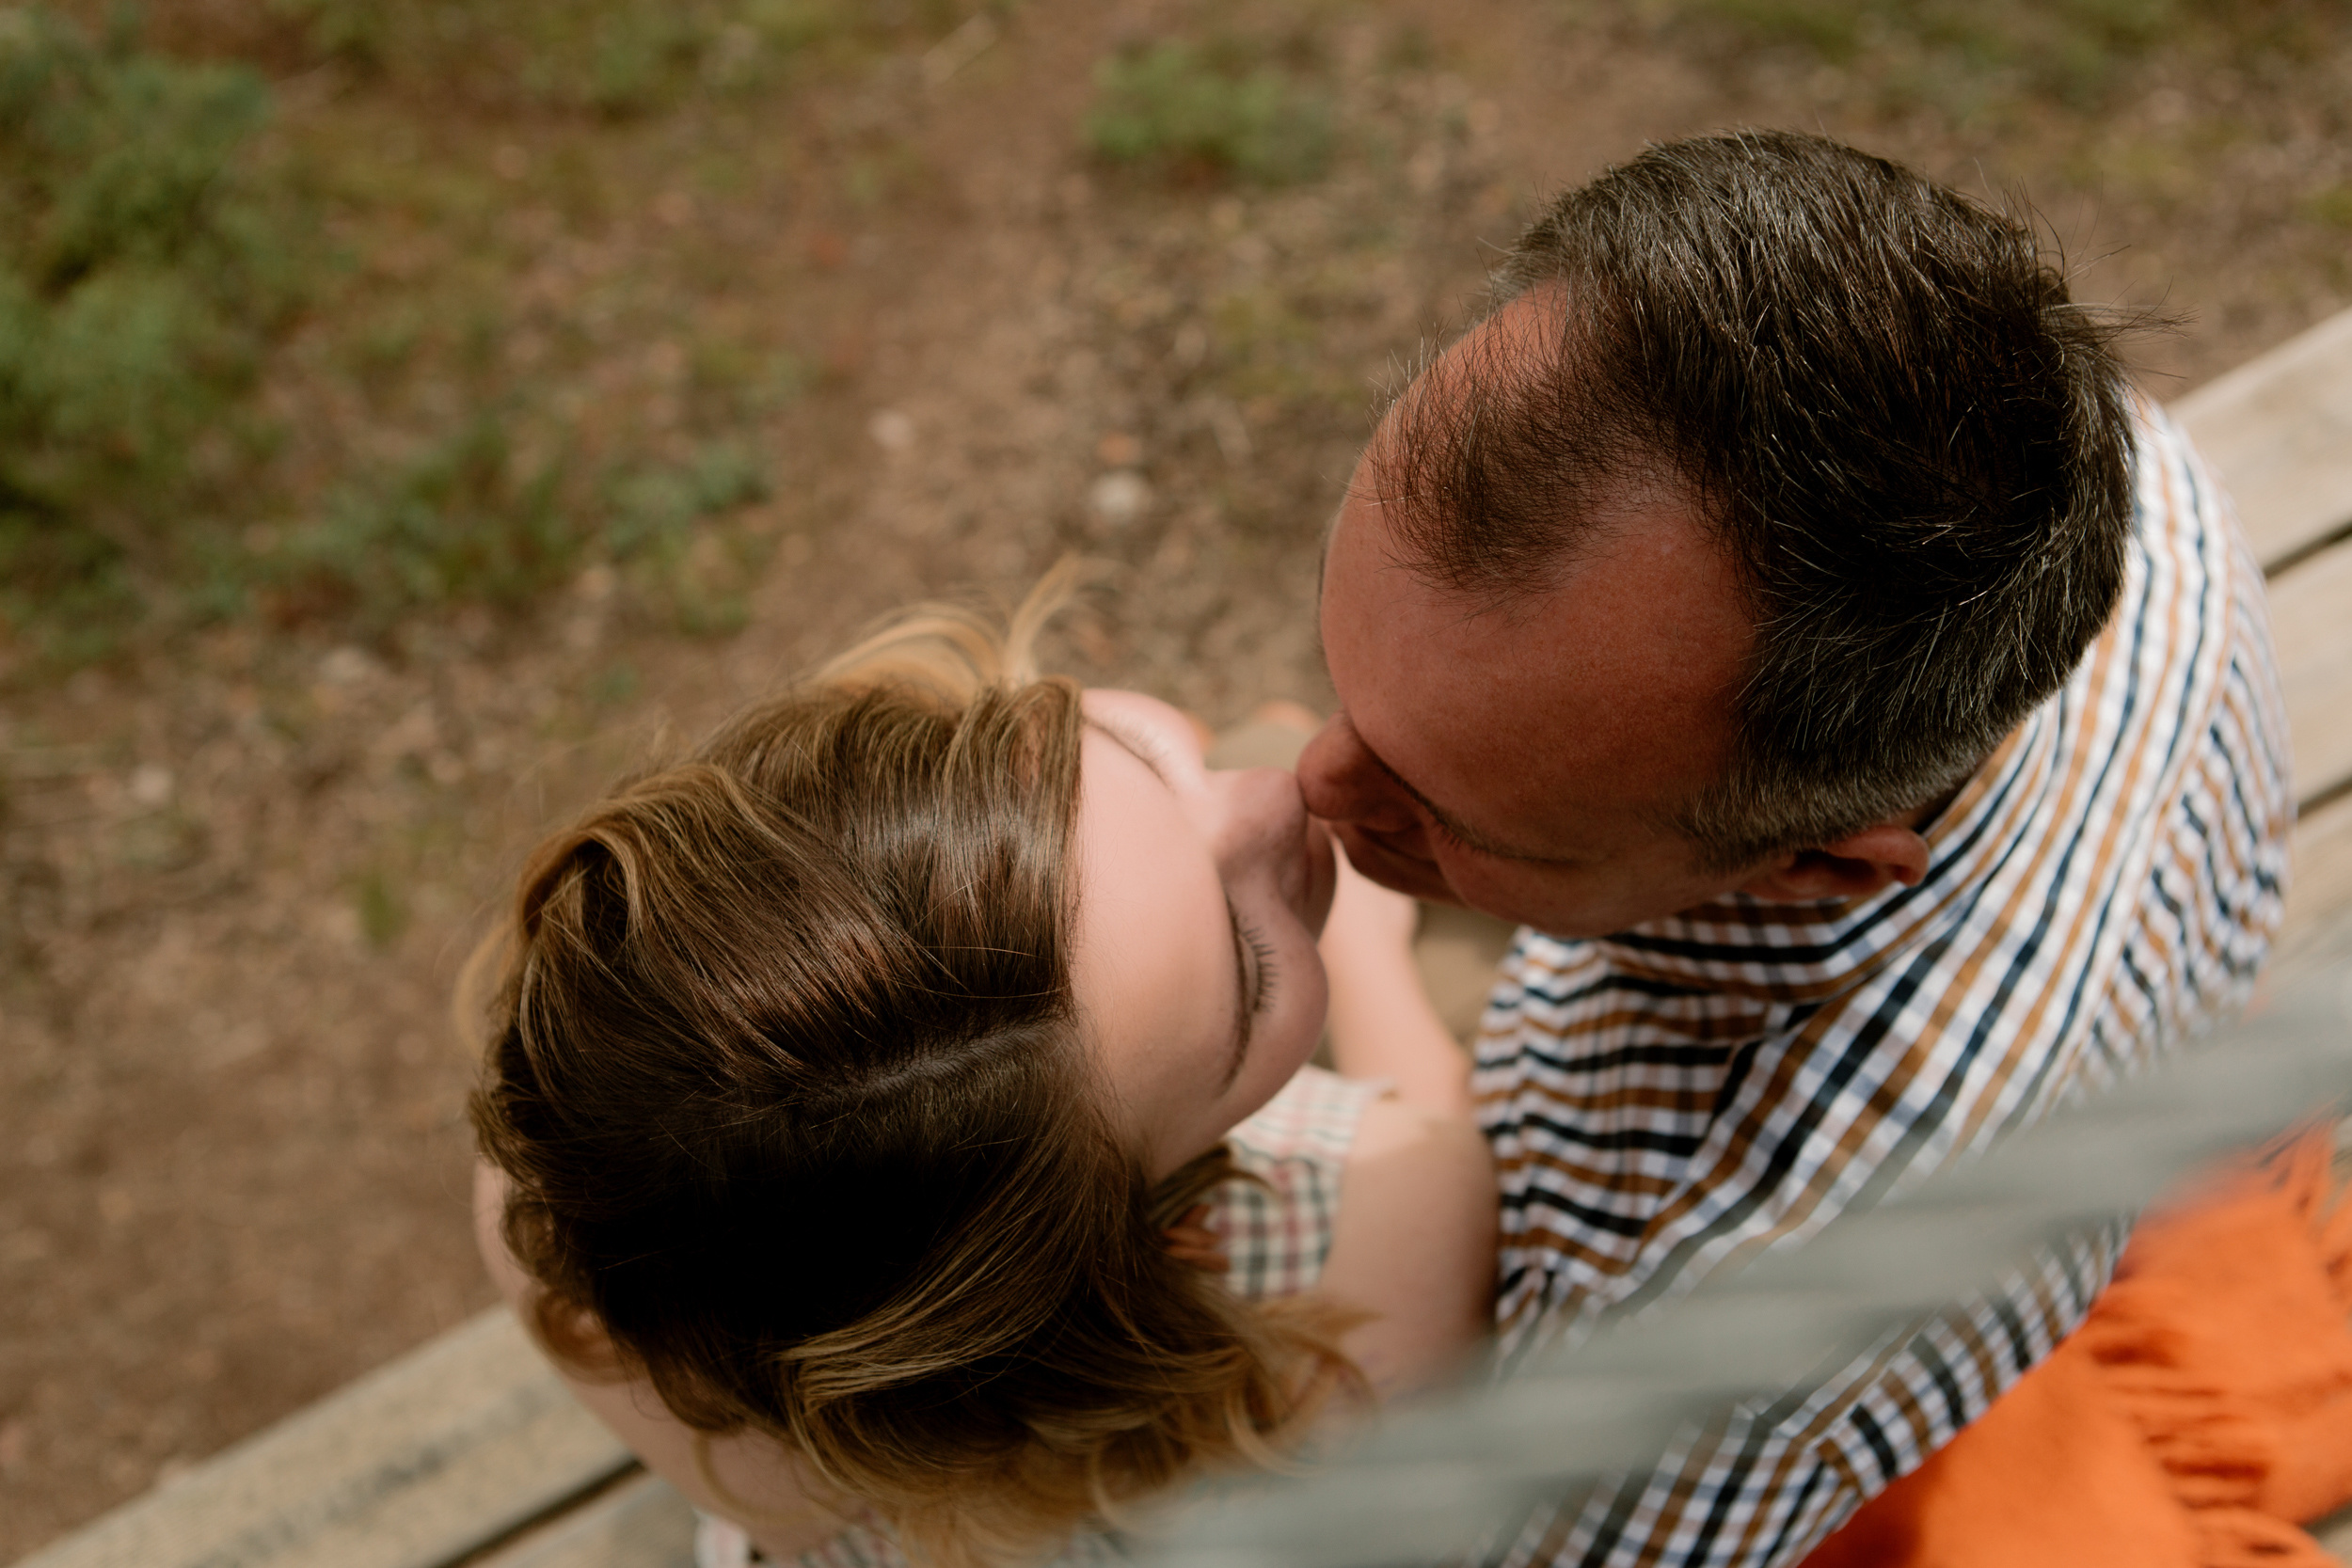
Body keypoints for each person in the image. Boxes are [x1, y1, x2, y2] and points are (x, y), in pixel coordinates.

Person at [1296, 130, 2293, 1566]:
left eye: (1447, 814)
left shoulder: (1698, 1346)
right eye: (1350, 671)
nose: (1313, 789)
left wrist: (1365, 956)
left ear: (1817, 865)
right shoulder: (2074, 446)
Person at [466, 582, 1497, 1568]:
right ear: (1109, 1266)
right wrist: (1364, 947)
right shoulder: (1409, 1207)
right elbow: (1433, 1121)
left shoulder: (562, 1214)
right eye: (1250, 968)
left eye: (1131, 756)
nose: (1276, 797)